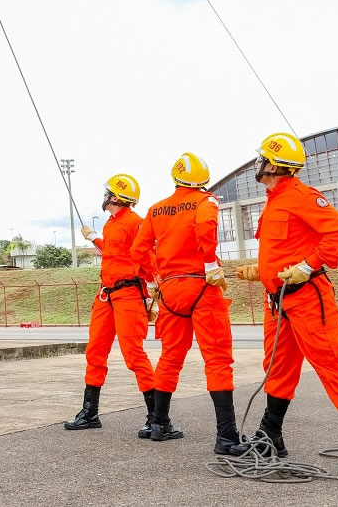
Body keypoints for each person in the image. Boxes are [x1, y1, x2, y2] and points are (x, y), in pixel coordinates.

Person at [233, 132, 338, 476]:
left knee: (333, 365)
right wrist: (263, 272)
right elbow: (287, 246)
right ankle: (271, 437)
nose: (257, 164)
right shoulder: (274, 199)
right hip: (279, 302)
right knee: (277, 369)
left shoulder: (301, 196)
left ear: (275, 165)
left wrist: (308, 265)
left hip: (308, 300)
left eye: (261, 159)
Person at [130, 153, 238, 454]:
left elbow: (138, 251)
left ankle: (159, 423)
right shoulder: (206, 201)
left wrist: (153, 283)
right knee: (217, 358)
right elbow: (206, 229)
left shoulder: (155, 209)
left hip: (170, 289)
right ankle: (227, 436)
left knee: (170, 356)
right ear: (202, 180)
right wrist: (209, 264)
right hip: (202, 285)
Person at [64, 174, 155, 436]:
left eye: (108, 192)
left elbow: (147, 257)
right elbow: (115, 253)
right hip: (106, 295)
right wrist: (94, 238)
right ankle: (90, 412)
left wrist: (152, 291)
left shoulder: (136, 223)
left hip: (128, 293)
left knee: (133, 354)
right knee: (95, 351)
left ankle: (156, 415)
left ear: (116, 196)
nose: (104, 196)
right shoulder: (112, 224)